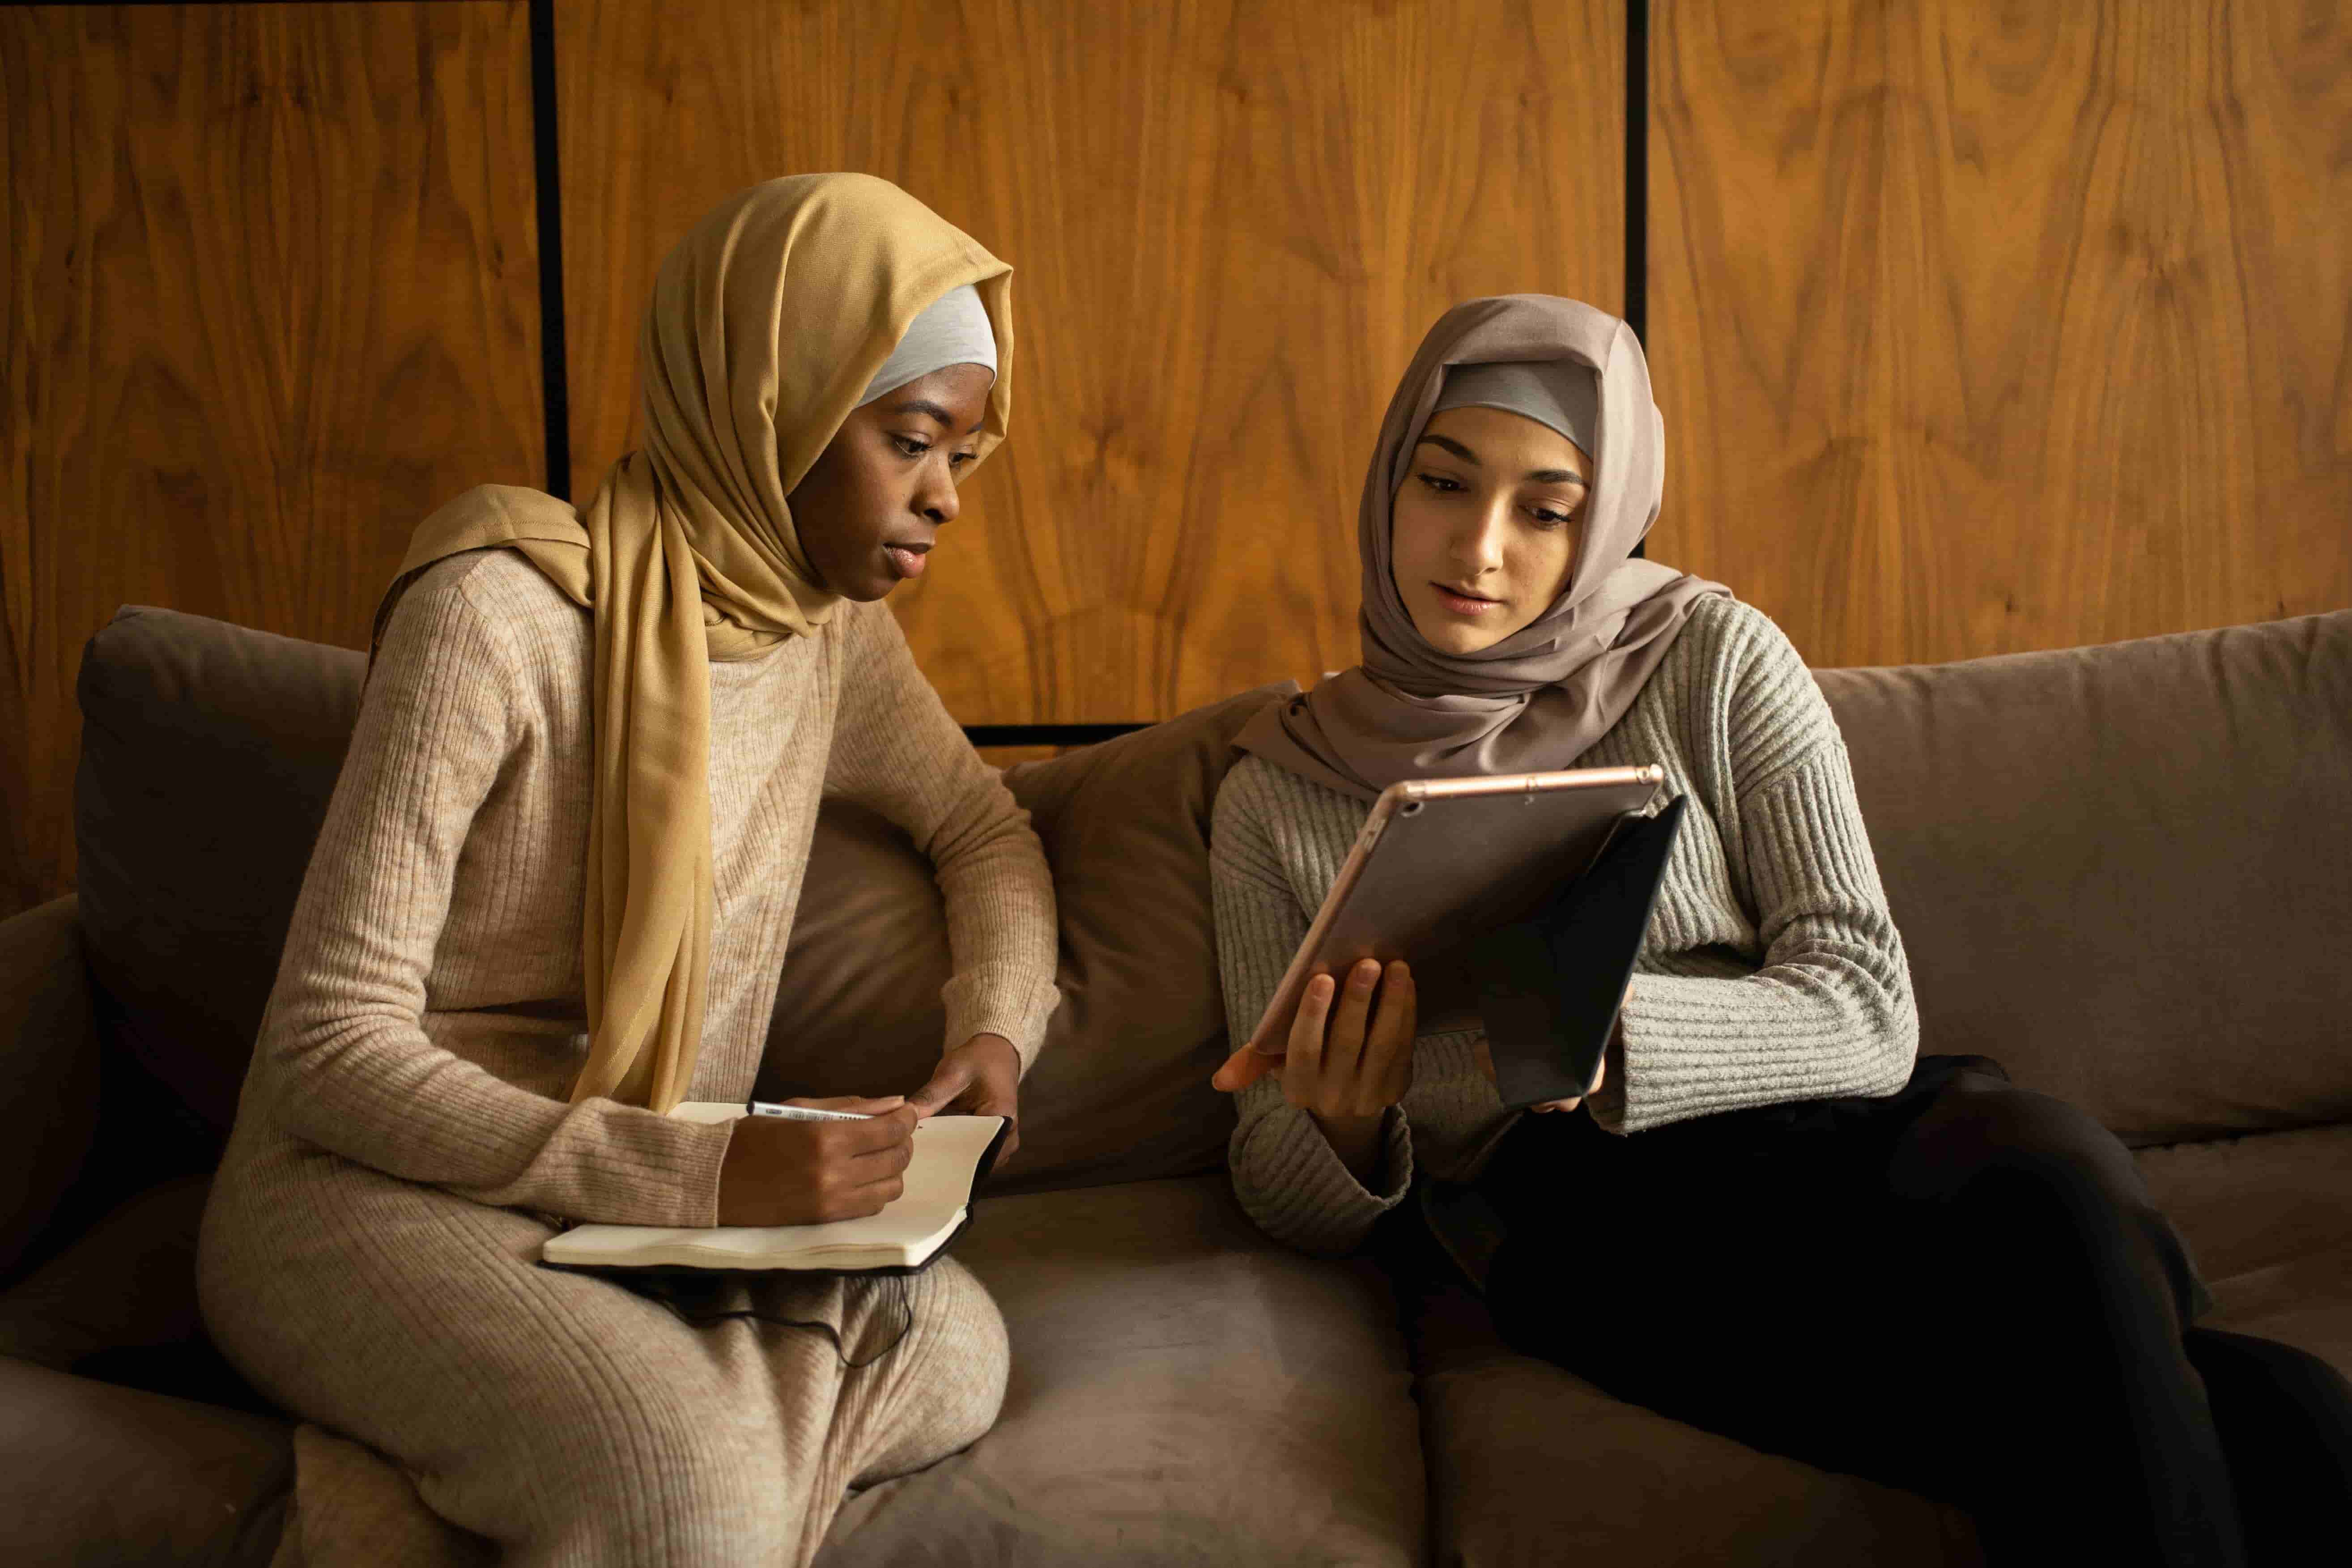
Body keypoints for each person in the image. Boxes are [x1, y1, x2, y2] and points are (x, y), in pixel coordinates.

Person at [1208, 293, 2352, 1565]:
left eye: (1546, 509)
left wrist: (1604, 1021)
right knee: (2270, 1415)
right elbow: (1277, 1183)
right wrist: (1348, 1124)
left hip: (1849, 1130)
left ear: (1609, 518)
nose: (1479, 547)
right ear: (1388, 485)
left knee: (2049, 1169)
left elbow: (1865, 1000)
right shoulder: (1279, 790)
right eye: (1442, 482)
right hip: (1592, 1229)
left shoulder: (1714, 655)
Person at [196, 173, 1062, 1568]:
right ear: (771, 399)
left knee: (957, 1346)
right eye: (912, 440)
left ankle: (567, 1462)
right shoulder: (498, 612)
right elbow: (326, 1050)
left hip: (635, 1204)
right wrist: (695, 1170)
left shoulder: (821, 637)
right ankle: (661, 1483)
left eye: (963, 454)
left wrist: (996, 1027)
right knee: (682, 1488)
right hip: (368, 1193)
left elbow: (983, 828)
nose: (946, 498)